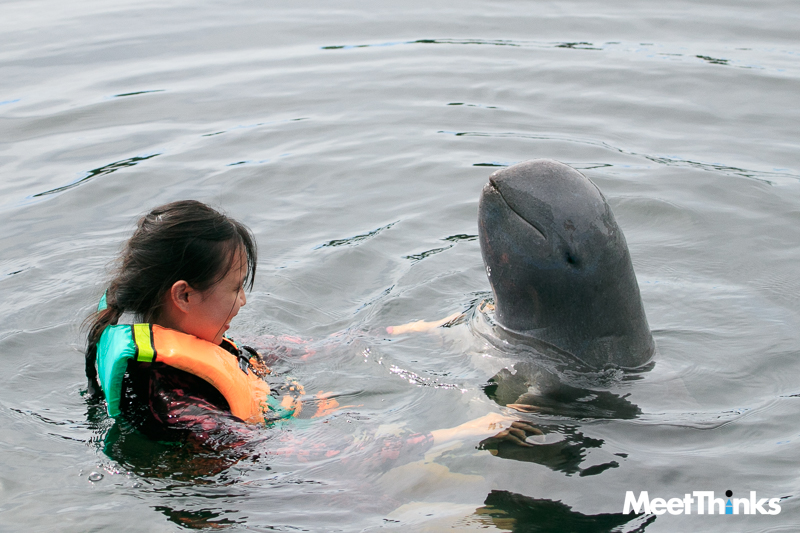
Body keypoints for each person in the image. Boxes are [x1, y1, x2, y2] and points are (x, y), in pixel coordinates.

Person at [85, 200, 532, 455]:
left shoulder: (171, 336)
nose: (243, 301)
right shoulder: (171, 398)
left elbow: (291, 350)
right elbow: (305, 455)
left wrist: (411, 330)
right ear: (183, 296)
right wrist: (456, 434)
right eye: (236, 289)